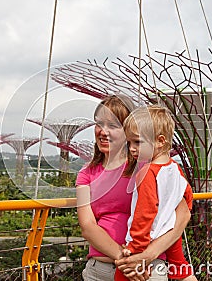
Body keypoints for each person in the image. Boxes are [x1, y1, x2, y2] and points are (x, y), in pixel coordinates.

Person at [76, 95, 192, 281]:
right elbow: (88, 226)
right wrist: (128, 261)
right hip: (101, 270)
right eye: (99, 124)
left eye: (113, 126)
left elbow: (183, 214)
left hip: (147, 270)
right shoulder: (85, 174)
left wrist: (147, 256)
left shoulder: (150, 166)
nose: (103, 132)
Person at [114, 105, 197, 280]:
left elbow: (144, 214)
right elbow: (187, 196)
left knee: (121, 275)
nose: (131, 148)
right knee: (181, 270)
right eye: (129, 142)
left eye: (137, 142)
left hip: (145, 240)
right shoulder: (174, 168)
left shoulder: (147, 172)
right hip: (170, 234)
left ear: (160, 141)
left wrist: (135, 248)